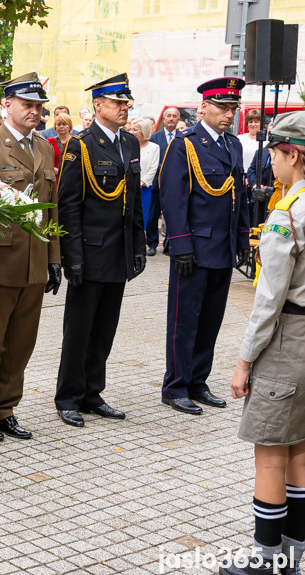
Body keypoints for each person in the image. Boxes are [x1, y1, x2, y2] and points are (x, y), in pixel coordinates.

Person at [223, 111, 305, 575]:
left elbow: (268, 300)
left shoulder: (287, 214)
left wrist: (243, 362)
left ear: (291, 153)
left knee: (272, 453)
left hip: (288, 340)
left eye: (274, 154)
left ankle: (266, 559)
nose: (271, 162)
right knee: (302, 446)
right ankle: (294, 551)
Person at [0, 72, 61, 442]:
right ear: (7, 105)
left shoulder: (46, 148)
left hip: (34, 261)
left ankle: (6, 408)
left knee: (21, 344)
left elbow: (51, 209)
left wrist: (54, 257)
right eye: (28, 105)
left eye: (39, 106)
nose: (35, 112)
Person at [55, 73, 146, 428]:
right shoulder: (80, 145)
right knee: (78, 330)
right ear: (98, 105)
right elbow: (69, 205)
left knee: (105, 329)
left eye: (127, 102)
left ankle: (93, 392)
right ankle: (68, 396)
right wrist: (71, 256)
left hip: (118, 253)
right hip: (89, 253)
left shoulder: (130, 143)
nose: (125, 107)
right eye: (118, 102)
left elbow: (133, 201)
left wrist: (137, 246)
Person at [158, 77, 250, 416]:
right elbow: (173, 196)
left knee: (211, 319)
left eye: (233, 108)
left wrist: (242, 237)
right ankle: (175, 385)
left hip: (222, 248)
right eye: (222, 108)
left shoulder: (233, 145)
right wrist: (180, 243)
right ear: (204, 108)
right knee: (185, 320)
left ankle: (198, 381)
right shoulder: (186, 144)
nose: (228, 115)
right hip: (193, 248)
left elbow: (237, 196)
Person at [148, 107, 180, 255]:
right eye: (169, 116)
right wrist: (165, 168)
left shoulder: (183, 137)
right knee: (153, 215)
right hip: (157, 183)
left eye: (174, 116)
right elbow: (152, 159)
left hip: (176, 184)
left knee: (173, 215)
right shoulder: (155, 137)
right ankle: (152, 244)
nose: (171, 119)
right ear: (164, 119)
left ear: (178, 119)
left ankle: (170, 244)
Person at [132, 118, 160, 255]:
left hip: (145, 188)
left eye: (135, 129)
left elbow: (153, 168)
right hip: (128, 187)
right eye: (131, 129)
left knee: (144, 218)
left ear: (143, 131)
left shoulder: (154, 148)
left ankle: (142, 246)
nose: (132, 132)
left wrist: (142, 182)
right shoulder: (128, 146)